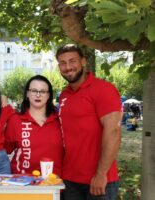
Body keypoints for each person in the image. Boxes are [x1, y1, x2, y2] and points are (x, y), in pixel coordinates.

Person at [56, 44, 122, 200]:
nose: (68, 67)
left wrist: (100, 174)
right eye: (63, 63)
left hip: (99, 180)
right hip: (70, 179)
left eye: (72, 61)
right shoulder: (64, 95)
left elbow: (113, 131)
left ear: (83, 61)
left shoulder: (103, 89)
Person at [4, 75, 63, 176]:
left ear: (49, 95)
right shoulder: (15, 120)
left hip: (54, 184)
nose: (38, 95)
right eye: (34, 91)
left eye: (43, 91)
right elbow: (5, 151)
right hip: (22, 183)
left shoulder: (60, 120)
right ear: (27, 93)